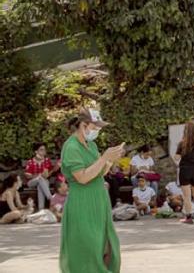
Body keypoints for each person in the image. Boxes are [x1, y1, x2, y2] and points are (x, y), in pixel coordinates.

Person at [59, 108, 123, 272]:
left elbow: (99, 172)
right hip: (82, 202)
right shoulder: (71, 147)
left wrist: (109, 161)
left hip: (99, 201)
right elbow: (82, 177)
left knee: (107, 245)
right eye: (95, 128)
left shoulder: (91, 145)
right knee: (87, 247)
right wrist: (104, 158)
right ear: (83, 125)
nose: (97, 131)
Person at [172, 121, 194, 224]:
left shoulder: (182, 144)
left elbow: (176, 158)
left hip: (185, 170)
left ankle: (189, 217)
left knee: (187, 196)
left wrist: (177, 155)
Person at [24, 142, 58, 211]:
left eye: (44, 150)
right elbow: (28, 175)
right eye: (41, 150)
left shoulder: (46, 161)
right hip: (32, 182)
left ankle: (41, 209)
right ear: (36, 151)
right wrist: (38, 176)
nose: (44, 151)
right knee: (40, 179)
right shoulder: (31, 162)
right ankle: (51, 198)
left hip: (44, 182)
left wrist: (53, 170)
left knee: (40, 185)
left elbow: (47, 174)